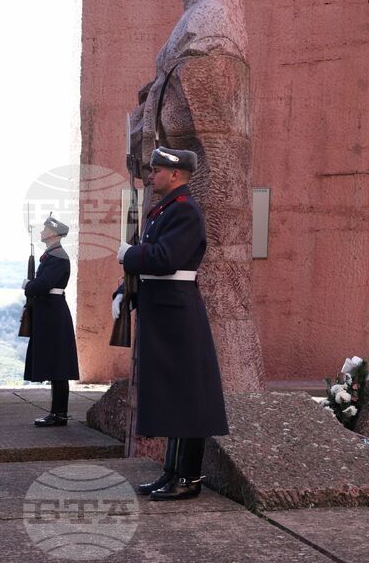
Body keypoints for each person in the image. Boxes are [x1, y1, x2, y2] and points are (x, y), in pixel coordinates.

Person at [112, 147, 228, 500]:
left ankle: (188, 479)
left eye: (157, 170)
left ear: (175, 175)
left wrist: (127, 255)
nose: (151, 175)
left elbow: (164, 259)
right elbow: (151, 266)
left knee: (188, 400)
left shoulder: (186, 211)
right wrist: (125, 292)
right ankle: (171, 472)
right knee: (174, 399)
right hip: (163, 313)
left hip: (178, 316)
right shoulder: (164, 209)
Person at [23, 214, 80, 427]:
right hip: (49, 312)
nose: (41, 231)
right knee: (56, 367)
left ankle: (59, 415)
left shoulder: (57, 257)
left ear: (54, 234)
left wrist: (28, 285)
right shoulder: (54, 255)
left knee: (59, 367)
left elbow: (42, 285)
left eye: (45, 229)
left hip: (53, 313)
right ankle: (57, 414)